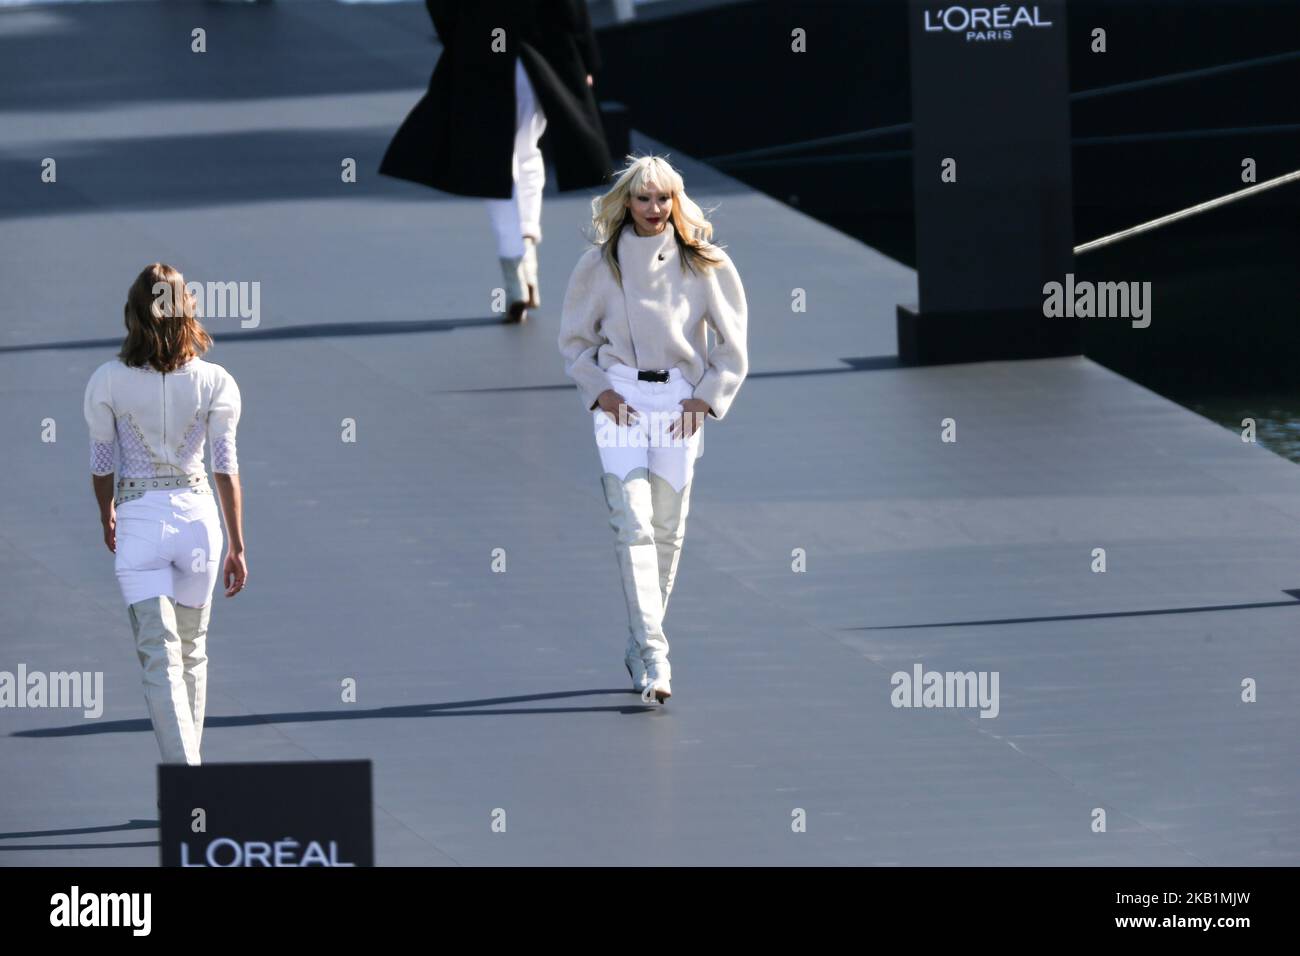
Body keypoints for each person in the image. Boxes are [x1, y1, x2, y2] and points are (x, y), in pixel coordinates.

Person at [558, 155, 749, 703]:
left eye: (662, 198)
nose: (653, 208)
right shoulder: (600, 264)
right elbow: (574, 341)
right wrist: (600, 390)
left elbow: (733, 349)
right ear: (627, 203)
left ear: (675, 201)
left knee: (668, 530)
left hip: (678, 403)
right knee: (631, 523)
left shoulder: (707, 264)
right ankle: (656, 656)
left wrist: (705, 401)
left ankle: (640, 642)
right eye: (643, 198)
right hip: (622, 401)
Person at [83, 264, 247, 765]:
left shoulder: (107, 380)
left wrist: (106, 512)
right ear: (187, 312)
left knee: (160, 656)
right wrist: (237, 544)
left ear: (132, 314)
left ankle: (186, 778)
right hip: (199, 523)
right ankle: (189, 780)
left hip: (140, 524)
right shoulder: (216, 381)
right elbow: (225, 468)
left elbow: (102, 464)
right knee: (193, 652)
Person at [380, 0, 613, 322]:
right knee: (527, 152)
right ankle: (526, 244)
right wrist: (586, 57)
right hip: (542, 50)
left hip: (480, 50)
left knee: (497, 162)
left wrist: (460, 38)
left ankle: (514, 265)